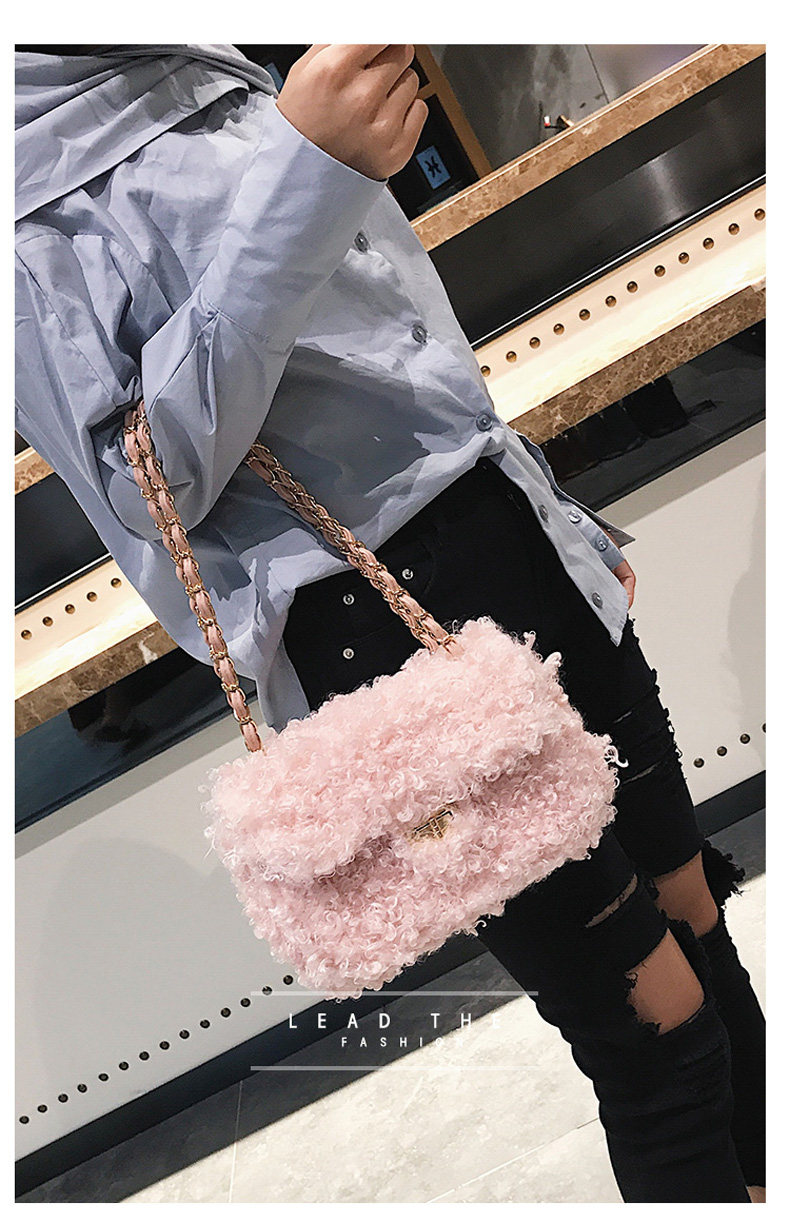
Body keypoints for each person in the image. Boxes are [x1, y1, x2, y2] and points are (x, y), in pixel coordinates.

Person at [15, 44, 764, 1202]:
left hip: (509, 539)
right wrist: (305, 172)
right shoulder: (28, 178)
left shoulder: (188, 53)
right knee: (653, 1032)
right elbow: (146, 483)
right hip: (377, 634)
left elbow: (378, 346)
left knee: (696, 921)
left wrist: (548, 521)